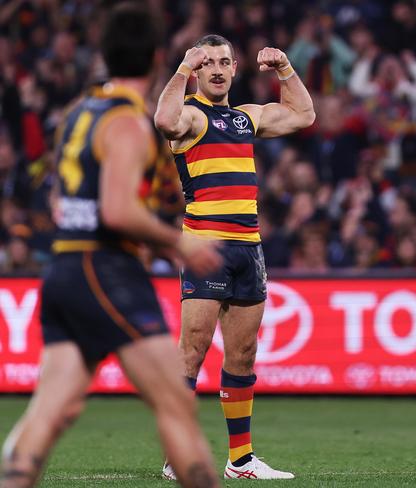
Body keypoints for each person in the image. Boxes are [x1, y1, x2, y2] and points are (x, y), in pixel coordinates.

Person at [0, 4, 222, 488]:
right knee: (177, 404)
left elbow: (61, 197)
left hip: (64, 269)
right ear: (159, 57)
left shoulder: (80, 111)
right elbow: (118, 210)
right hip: (107, 271)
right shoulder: (127, 122)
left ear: (103, 55)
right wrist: (177, 244)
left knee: (50, 412)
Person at [154, 35, 315, 480]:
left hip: (248, 247)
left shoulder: (246, 118)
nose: (219, 69)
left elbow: (304, 114)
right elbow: (164, 120)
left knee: (243, 354)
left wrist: (285, 68)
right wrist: (183, 68)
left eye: (225, 61)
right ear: (199, 72)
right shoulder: (190, 115)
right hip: (205, 245)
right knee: (193, 350)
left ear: (235, 67)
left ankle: (241, 461)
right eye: (210, 63)